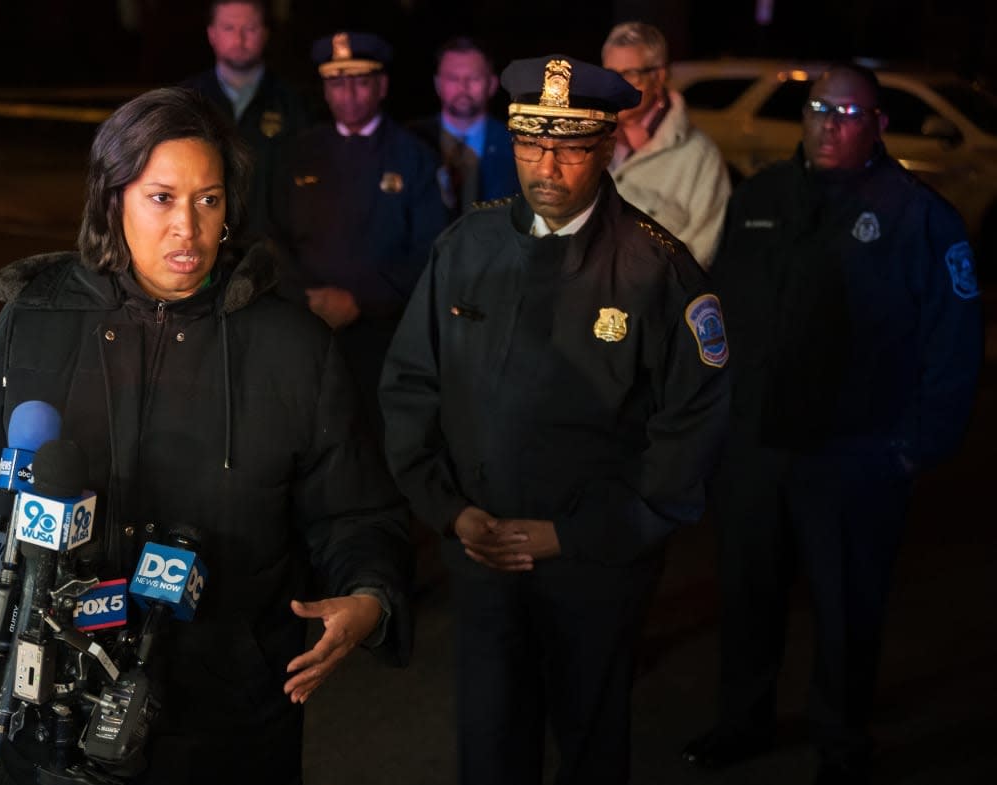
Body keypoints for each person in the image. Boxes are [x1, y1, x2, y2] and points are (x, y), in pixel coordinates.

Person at [0, 86, 412, 785]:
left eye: (209, 199)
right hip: (55, 722)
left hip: (229, 726)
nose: (188, 228)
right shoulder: (33, 321)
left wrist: (369, 595)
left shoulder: (294, 348)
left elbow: (354, 514)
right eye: (162, 197)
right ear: (113, 201)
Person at [380, 55, 731, 785]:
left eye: (571, 146)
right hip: (481, 559)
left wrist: (576, 533)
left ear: (606, 146)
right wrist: (449, 512)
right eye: (532, 143)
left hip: (592, 568)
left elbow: (691, 427)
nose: (548, 165)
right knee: (490, 740)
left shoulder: (654, 268)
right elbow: (410, 385)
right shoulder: (467, 247)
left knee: (590, 740)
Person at [681, 64, 983, 784]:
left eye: (848, 113)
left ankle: (843, 741)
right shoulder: (761, 198)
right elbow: (718, 316)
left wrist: (916, 447)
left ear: (876, 125)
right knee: (749, 594)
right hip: (757, 449)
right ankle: (743, 721)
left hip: (857, 453)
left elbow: (954, 342)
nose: (829, 124)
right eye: (819, 109)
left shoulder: (918, 215)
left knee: (847, 610)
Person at [271, 30, 447, 436]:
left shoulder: (414, 156)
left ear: (382, 86)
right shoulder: (298, 154)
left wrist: (360, 301)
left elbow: (430, 249)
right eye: (336, 82)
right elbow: (272, 237)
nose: (348, 94)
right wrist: (305, 298)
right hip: (305, 330)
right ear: (324, 89)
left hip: (385, 337)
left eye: (360, 81)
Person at [600, 22, 730, 268]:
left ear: (658, 77)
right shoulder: (589, 141)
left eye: (628, 74)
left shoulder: (700, 157)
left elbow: (703, 251)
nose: (614, 87)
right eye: (610, 75)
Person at [182, 0, 311, 237]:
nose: (240, 39)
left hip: (273, 250)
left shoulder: (292, 102)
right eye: (229, 28)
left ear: (265, 34)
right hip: (202, 240)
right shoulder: (186, 100)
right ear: (212, 34)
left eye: (250, 29)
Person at [409, 36, 520, 220]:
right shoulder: (410, 142)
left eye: (473, 78)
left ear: (492, 84)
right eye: (453, 78)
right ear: (438, 84)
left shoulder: (516, 145)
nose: (463, 87)